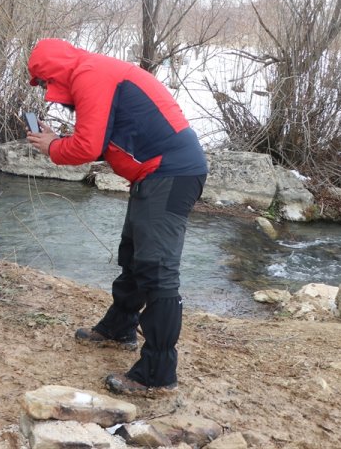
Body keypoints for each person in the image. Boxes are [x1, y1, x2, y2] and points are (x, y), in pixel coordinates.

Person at [26, 38, 207, 397]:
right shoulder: (92, 72)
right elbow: (100, 134)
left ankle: (157, 373)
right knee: (134, 256)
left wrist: (52, 147)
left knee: (158, 272)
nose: (48, 90)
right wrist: (58, 140)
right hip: (156, 174)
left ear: (54, 71)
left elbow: (87, 148)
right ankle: (119, 327)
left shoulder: (89, 74)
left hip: (170, 173)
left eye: (45, 82)